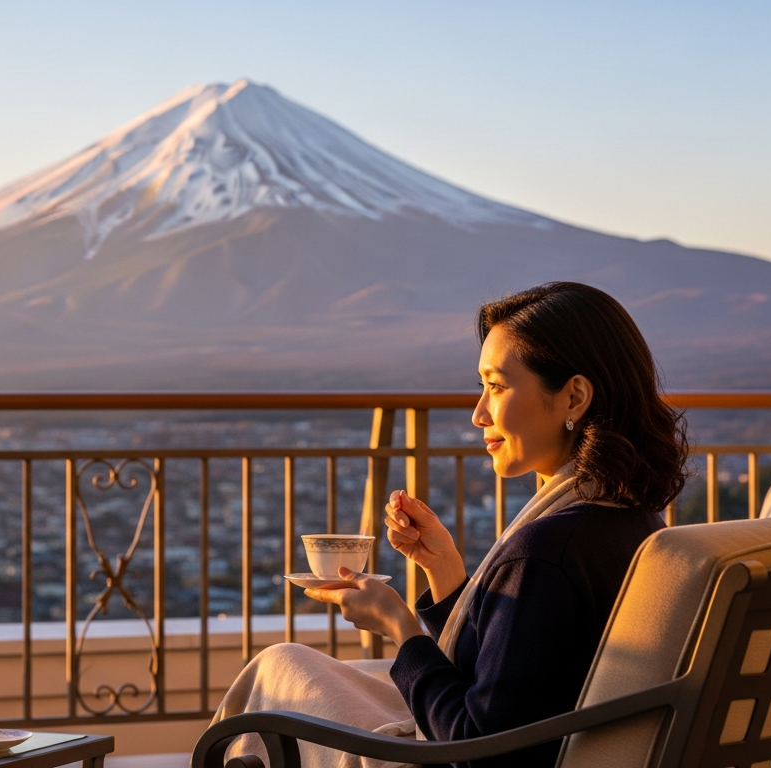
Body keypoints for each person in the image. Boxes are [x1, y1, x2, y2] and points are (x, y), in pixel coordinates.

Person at [213, 282, 689, 768]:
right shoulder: (634, 522)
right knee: (289, 664)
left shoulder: (547, 551)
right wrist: (445, 576)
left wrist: (401, 628)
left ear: (574, 397)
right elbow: (520, 680)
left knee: (276, 672)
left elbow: (479, 745)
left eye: (497, 386)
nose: (478, 413)